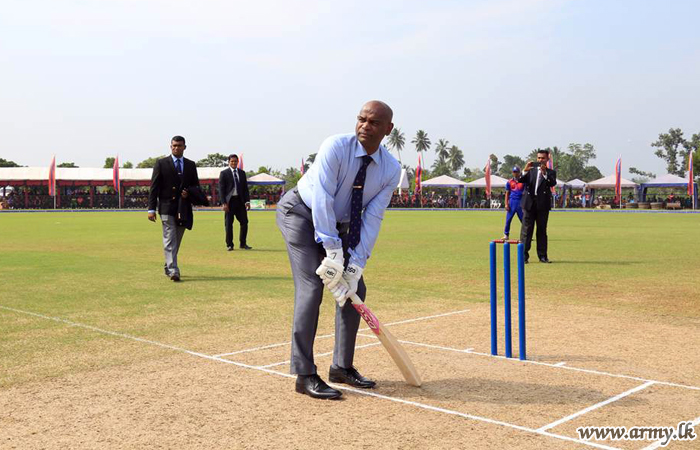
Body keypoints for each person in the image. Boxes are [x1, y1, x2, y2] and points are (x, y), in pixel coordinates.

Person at [276, 100, 401, 400]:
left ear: (388, 129)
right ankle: (304, 374)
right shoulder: (335, 146)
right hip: (301, 213)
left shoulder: (390, 169)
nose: (364, 126)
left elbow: (372, 218)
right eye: (361, 119)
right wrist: (332, 251)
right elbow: (322, 200)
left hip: (339, 224)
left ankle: (341, 367)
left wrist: (355, 264)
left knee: (354, 289)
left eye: (373, 122)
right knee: (312, 287)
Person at [147, 136, 201, 281]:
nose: (176, 148)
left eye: (179, 145)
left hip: (183, 207)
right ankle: (173, 270)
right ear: (170, 146)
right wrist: (151, 209)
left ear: (185, 147)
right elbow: (154, 187)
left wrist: (189, 192)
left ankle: (168, 264)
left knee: (176, 239)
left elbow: (196, 185)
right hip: (166, 207)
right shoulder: (161, 163)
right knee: (170, 237)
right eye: (174, 145)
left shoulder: (190, 165)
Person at [518, 150, 556, 263]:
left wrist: (545, 174)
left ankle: (542, 256)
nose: (540, 160)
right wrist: (525, 170)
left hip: (542, 205)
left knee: (542, 231)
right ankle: (523, 256)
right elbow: (520, 180)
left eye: (543, 158)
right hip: (529, 204)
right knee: (526, 231)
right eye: (538, 158)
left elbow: (552, 183)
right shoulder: (530, 170)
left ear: (547, 159)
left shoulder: (551, 172)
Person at [218, 154, 252, 251]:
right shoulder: (224, 173)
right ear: (229, 162)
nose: (234, 163)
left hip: (240, 201)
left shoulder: (242, 173)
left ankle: (243, 243)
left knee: (244, 222)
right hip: (229, 202)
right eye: (232, 161)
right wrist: (224, 203)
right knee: (229, 224)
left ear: (238, 162)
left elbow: (245, 189)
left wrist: (247, 201)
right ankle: (229, 244)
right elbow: (221, 189)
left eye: (235, 161)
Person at [502, 166, 524, 240]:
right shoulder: (509, 182)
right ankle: (506, 235)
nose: (515, 173)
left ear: (519, 172)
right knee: (508, 219)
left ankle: (526, 235)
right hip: (512, 202)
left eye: (516, 172)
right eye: (514, 172)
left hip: (520, 202)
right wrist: (506, 204)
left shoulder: (523, 181)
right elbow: (507, 193)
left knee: (523, 220)